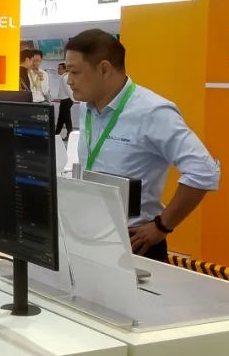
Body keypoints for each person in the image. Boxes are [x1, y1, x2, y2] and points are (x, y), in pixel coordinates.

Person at [65, 29, 220, 262]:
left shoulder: (152, 112)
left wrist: (162, 226)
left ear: (104, 69)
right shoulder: (87, 106)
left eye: (75, 72)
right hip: (90, 236)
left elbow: (204, 171)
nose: (69, 80)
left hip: (134, 243)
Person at [51, 62, 74, 137]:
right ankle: (56, 133)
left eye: (59, 69)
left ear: (65, 69)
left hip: (66, 100)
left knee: (66, 119)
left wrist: (73, 99)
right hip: (65, 100)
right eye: (58, 68)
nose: (58, 70)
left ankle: (68, 134)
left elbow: (69, 90)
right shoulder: (64, 77)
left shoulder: (65, 78)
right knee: (62, 118)